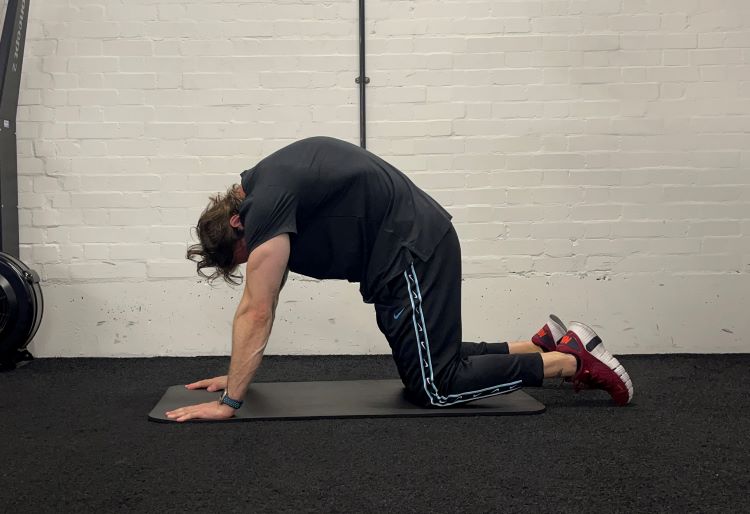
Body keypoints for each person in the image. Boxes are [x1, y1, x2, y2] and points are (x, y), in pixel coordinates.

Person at [165, 137, 633, 422]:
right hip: (408, 250)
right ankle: (540, 344)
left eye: (243, 257)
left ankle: (569, 360)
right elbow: (266, 296)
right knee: (428, 365)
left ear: (236, 226)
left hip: (410, 251)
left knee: (434, 385)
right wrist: (238, 372)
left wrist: (231, 401)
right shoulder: (266, 187)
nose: (252, 265)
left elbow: (257, 307)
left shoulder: (264, 206)